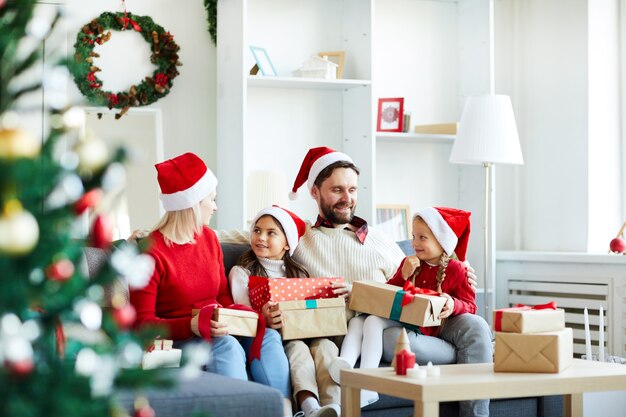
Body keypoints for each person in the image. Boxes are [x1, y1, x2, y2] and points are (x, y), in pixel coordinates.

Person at [287, 147, 492, 417]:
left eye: (353, 189)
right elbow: (259, 237)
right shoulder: (299, 237)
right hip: (368, 331)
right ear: (314, 192)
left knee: (475, 326)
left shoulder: (378, 238)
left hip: (415, 322)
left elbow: (414, 279)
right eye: (337, 190)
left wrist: (459, 274)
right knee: (392, 335)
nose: (347, 198)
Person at [128, 152, 292, 417]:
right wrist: (191, 325)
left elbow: (222, 295)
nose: (215, 207)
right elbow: (141, 325)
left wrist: (245, 317)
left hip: (218, 327)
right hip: (179, 338)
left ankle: (284, 411)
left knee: (269, 337)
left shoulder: (208, 239)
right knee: (224, 345)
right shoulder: (150, 252)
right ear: (192, 204)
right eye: (211, 200)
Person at [329, 207, 480, 409]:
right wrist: (404, 275)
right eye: (413, 236)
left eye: (422, 238)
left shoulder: (456, 269)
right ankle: (343, 365)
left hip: (423, 328)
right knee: (357, 320)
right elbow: (388, 293)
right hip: (402, 315)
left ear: (441, 241)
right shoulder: (410, 263)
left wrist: (453, 304)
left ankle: (368, 384)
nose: (414, 243)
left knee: (373, 321)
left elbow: (471, 305)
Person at [229, 205, 340, 417]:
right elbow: (243, 312)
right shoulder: (242, 272)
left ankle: (336, 406)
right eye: (257, 230)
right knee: (298, 350)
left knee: (327, 347)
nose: (261, 237)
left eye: (271, 233)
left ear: (287, 243)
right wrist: (263, 317)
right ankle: (310, 407)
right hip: (278, 337)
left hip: (309, 333)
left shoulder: (299, 272)